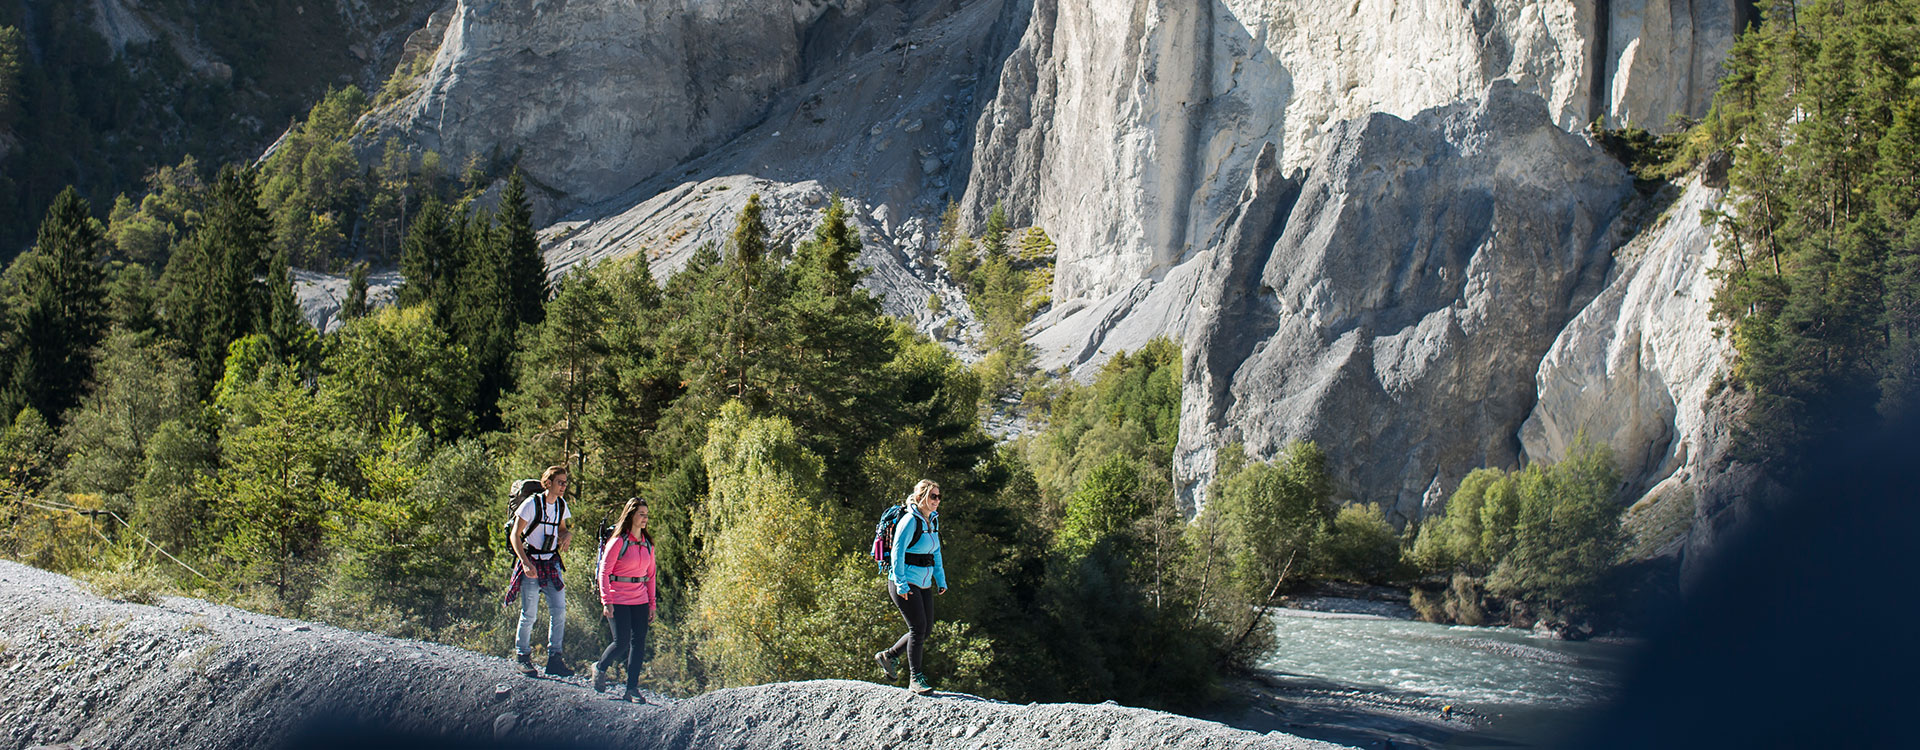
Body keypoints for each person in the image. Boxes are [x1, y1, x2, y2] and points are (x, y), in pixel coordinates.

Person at [875, 479, 946, 695]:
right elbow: (897, 553)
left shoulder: (932, 521)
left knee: (926, 630)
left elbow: (936, 553)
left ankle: (889, 656)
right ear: (921, 497)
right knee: (917, 628)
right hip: (904, 582)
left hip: (923, 583)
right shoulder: (909, 521)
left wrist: (940, 580)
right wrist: (901, 584)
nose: (937, 500)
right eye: (933, 496)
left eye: (939, 496)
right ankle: (916, 679)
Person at [505, 465, 574, 677]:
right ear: (548, 483)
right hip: (532, 562)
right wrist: (525, 563)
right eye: (560, 482)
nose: (563, 486)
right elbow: (515, 535)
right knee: (529, 614)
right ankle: (522, 656)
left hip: (550, 562)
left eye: (565, 482)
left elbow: (562, 529)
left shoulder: (561, 505)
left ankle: (555, 658)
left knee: (559, 611)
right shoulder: (531, 505)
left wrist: (567, 535)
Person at [592, 496, 659, 702]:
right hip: (617, 597)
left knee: (638, 643)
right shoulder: (618, 542)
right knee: (621, 643)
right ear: (631, 515)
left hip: (639, 598)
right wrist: (606, 600)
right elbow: (604, 571)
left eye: (646, 515)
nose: (645, 518)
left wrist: (651, 603)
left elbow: (651, 575)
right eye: (641, 514)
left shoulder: (647, 544)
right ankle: (601, 667)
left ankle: (632, 689)